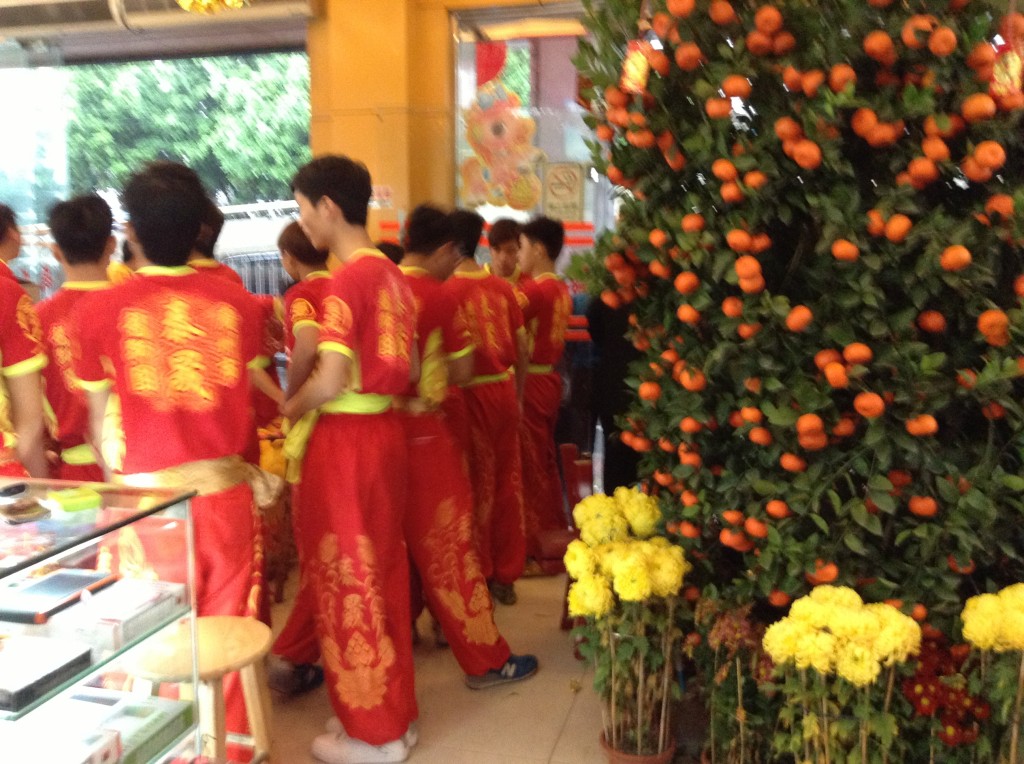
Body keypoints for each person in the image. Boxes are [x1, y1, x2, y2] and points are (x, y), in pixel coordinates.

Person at [70, 161, 268, 737]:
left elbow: (99, 419)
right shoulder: (240, 305)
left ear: (130, 230)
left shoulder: (98, 310)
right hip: (226, 496)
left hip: (145, 506)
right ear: (199, 231)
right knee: (226, 626)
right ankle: (224, 745)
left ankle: (159, 744)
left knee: (148, 636)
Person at [283, 155, 418, 764]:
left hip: (345, 445)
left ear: (328, 207)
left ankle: (375, 732)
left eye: (302, 208)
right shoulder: (393, 276)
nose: (302, 220)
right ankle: (394, 715)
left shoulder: (343, 283)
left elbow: (330, 380)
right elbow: (410, 371)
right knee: (382, 570)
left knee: (346, 578)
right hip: (386, 436)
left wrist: (290, 408)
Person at [398, 203, 538, 688]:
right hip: (449, 413)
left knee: (382, 543)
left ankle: (395, 633)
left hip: (373, 432)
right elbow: (497, 356)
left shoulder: (363, 287)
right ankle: (486, 617)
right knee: (471, 512)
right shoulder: (450, 295)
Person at [446, 208, 528, 606]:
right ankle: (507, 574)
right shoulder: (502, 289)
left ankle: (481, 571)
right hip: (505, 391)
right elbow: (523, 347)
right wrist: (520, 394)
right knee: (508, 485)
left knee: (476, 487)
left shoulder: (447, 290)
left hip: (471, 395)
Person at [267, 220, 331, 698]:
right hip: (358, 420)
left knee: (315, 539)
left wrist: (291, 400)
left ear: (289, 259)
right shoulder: (348, 282)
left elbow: (306, 347)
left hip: (318, 418)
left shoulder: (301, 296)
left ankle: (303, 645)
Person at [36, 194, 115, 482]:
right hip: (144, 474)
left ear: (56, 252)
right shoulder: (136, 310)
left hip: (71, 478)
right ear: (112, 244)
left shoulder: (37, 319)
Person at [516, 216, 573, 559]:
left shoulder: (535, 291)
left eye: (521, 248)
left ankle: (535, 543)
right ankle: (550, 533)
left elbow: (501, 319)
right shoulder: (560, 288)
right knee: (544, 461)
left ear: (538, 249)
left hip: (532, 382)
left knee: (530, 466)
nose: (520, 256)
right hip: (548, 379)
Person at [587, 297, 642, 491]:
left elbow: (595, 331)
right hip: (648, 386)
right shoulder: (654, 291)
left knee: (615, 457)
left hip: (612, 383)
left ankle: (616, 513)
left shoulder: (606, 295)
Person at [485, 218, 523, 283]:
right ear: (490, 249)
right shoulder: (476, 278)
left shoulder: (530, 283)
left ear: (520, 251)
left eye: (510, 250)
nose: (503, 258)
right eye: (497, 249)